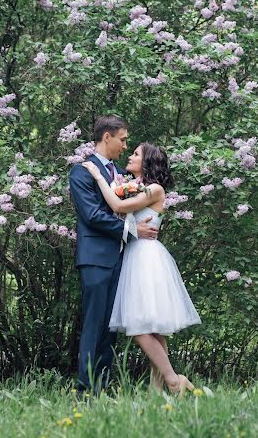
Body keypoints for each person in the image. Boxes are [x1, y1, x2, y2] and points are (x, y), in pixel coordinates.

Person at [82, 142, 202, 395]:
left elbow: (117, 206)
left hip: (146, 258)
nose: (130, 155)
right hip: (134, 255)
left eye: (135, 154)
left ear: (147, 162)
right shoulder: (136, 188)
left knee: (139, 327)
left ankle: (172, 380)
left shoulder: (154, 189)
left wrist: (96, 175)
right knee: (153, 329)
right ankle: (157, 389)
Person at [69, 115, 158, 393]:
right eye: (122, 139)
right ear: (106, 137)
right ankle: (85, 392)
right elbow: (93, 215)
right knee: (94, 326)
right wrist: (133, 231)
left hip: (121, 259)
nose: (124, 145)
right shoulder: (82, 172)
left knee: (109, 330)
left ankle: (102, 387)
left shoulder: (119, 174)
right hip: (95, 258)